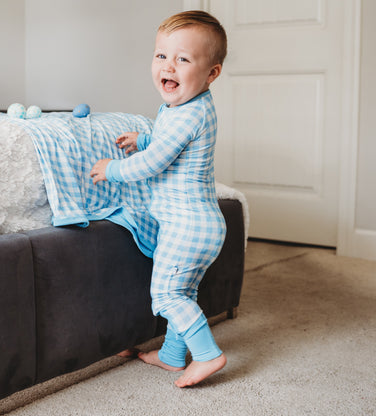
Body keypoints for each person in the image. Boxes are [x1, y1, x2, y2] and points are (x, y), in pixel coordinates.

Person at [90, 10, 228, 388]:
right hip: (199, 225)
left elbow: (154, 164)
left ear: (211, 73)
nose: (168, 66)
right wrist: (144, 137)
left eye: (183, 59)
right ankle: (171, 355)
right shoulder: (187, 107)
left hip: (188, 225)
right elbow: (172, 146)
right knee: (184, 292)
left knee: (167, 294)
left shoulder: (186, 113)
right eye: (161, 56)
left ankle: (207, 355)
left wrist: (112, 169)